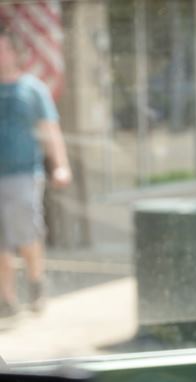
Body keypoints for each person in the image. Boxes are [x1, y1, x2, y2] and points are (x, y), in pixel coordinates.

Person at [0, 23, 71, 318]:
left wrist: (61, 166)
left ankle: (35, 281)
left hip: (23, 175)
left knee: (26, 234)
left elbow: (50, 130)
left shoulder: (32, 89)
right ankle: (6, 299)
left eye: (4, 49)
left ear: (16, 53)